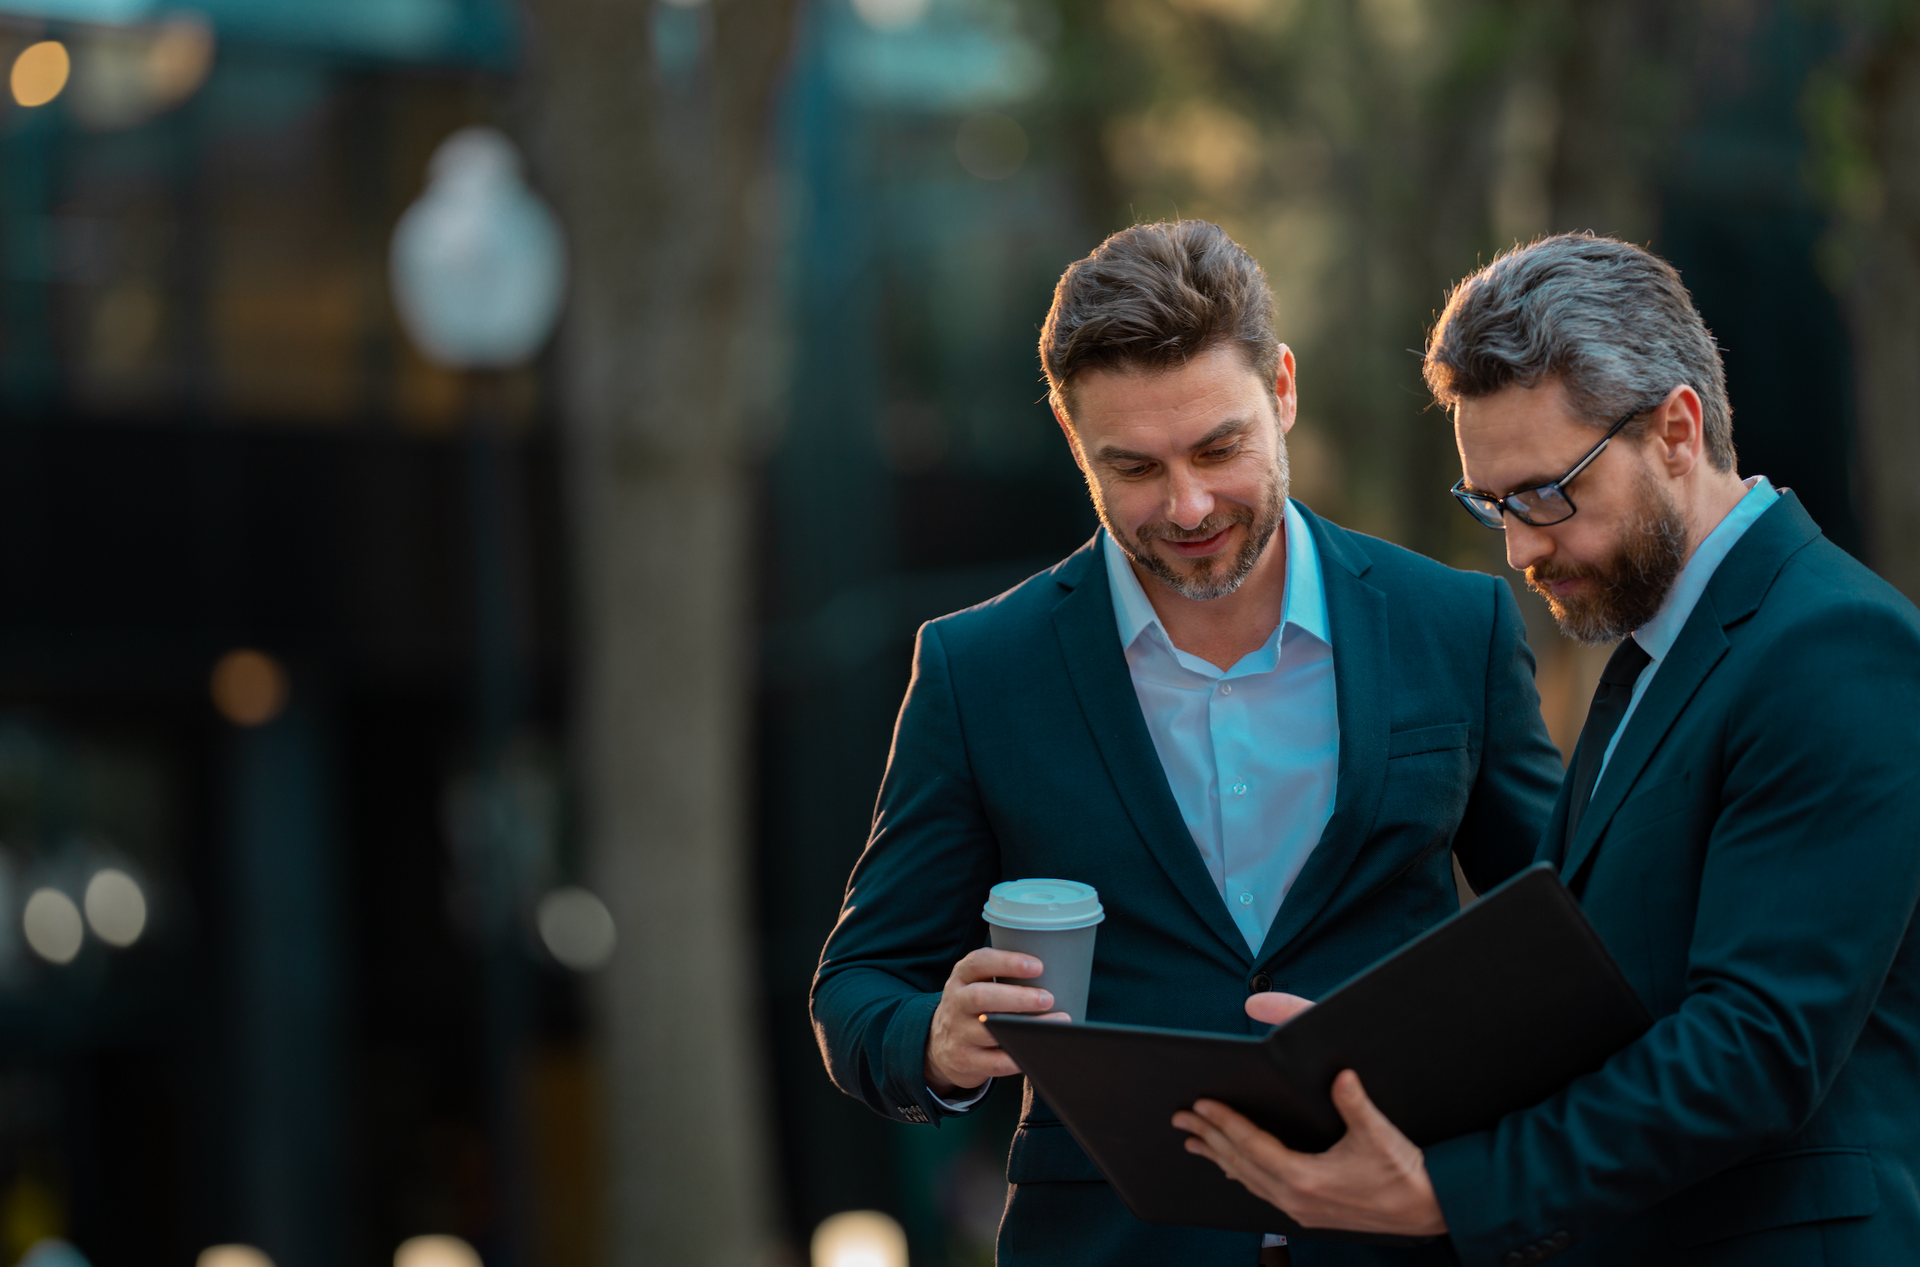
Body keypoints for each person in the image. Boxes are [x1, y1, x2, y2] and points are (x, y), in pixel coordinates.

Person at [810, 219, 1566, 1266]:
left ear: (1284, 389)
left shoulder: (1454, 627)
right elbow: (856, 983)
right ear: (1077, 445)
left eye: (1220, 446)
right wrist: (934, 1043)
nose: (1190, 504)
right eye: (1136, 467)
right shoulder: (979, 670)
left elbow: (1565, 938)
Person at [1174, 232, 1920, 1266]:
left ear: (1676, 429)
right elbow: (1586, 993)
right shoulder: (1657, 650)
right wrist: (1383, 1062)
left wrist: (1448, 1189)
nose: (1521, 548)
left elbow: (1754, 1047)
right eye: (1492, 505)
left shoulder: (1835, 647)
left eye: (1545, 494)